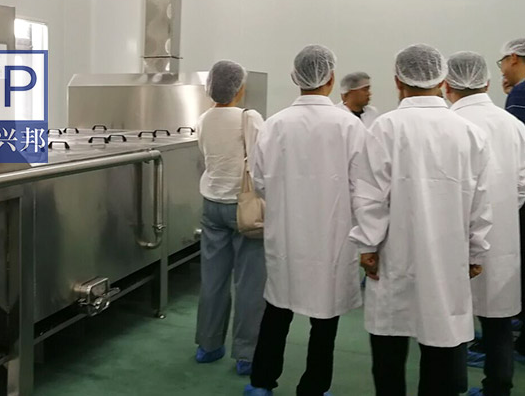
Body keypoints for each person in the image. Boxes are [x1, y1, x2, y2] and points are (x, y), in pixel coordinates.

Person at [350, 44, 493, 396]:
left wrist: (368, 246)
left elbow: (369, 196)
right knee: (441, 343)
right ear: (443, 80)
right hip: (449, 258)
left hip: (393, 256)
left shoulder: (385, 128)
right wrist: (476, 251)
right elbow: (480, 202)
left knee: (390, 345)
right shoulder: (469, 133)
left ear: (398, 81)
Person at [243, 45, 367, 396]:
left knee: (277, 310)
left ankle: (262, 382)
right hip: (332, 238)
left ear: (295, 77)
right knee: (324, 320)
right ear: (331, 78)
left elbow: (260, 180)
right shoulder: (349, 126)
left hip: (286, 234)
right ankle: (313, 388)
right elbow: (363, 187)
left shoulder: (275, 124)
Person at [445, 51, 525, 396]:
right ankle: (498, 387)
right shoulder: (514, 126)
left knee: (452, 321)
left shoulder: (446, 124)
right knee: (498, 321)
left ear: (446, 85)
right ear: (488, 83)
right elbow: (521, 186)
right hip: (502, 238)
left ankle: (452, 386)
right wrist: (499, 211)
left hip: (453, 238)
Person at [195, 60, 266, 376]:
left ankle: (208, 345)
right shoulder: (249, 118)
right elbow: (262, 161)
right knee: (249, 282)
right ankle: (247, 355)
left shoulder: (204, 119)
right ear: (239, 89)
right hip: (244, 207)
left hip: (212, 205)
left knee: (213, 278)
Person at [498, 38, 525, 360]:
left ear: (514, 58)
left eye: (502, 61)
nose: (503, 68)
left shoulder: (520, 95)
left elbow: (516, 150)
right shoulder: (517, 94)